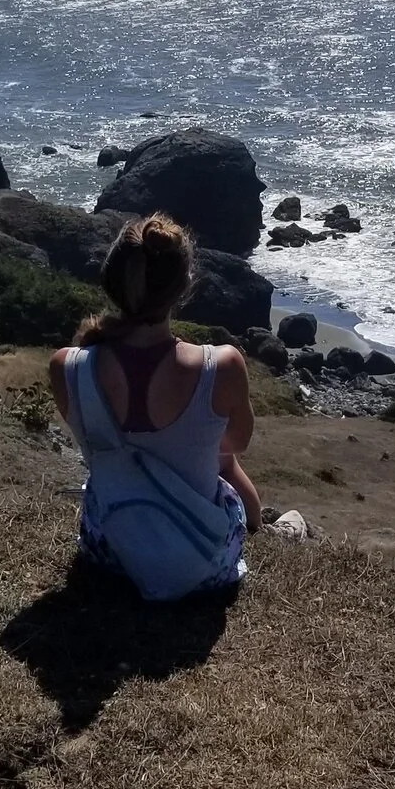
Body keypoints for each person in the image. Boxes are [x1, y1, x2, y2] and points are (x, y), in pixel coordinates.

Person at [47, 213, 260, 600]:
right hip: (202, 565)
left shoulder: (67, 367)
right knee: (224, 465)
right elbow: (236, 444)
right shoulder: (223, 365)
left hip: (109, 552)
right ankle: (271, 525)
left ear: (113, 280)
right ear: (185, 285)